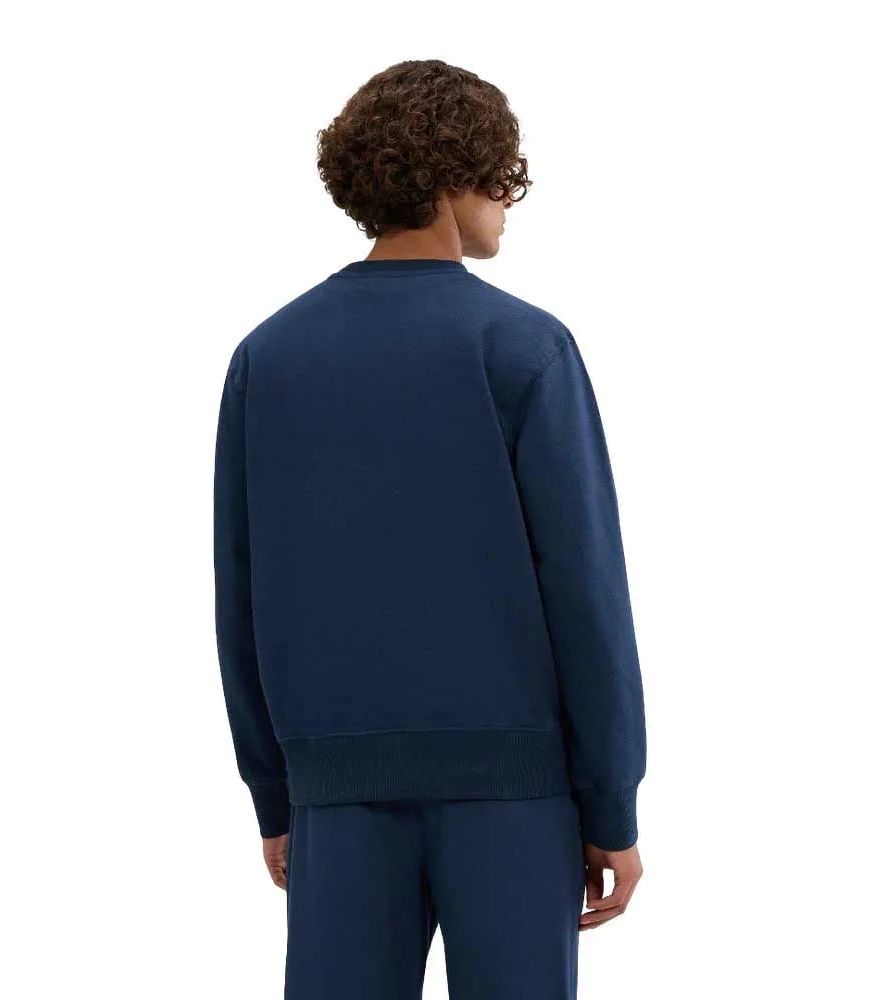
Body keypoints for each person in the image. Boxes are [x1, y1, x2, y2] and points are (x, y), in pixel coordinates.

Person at [213, 58, 647, 999]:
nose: (508, 202)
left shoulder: (269, 357)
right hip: (516, 799)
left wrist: (275, 793)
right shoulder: (523, 347)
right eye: (500, 177)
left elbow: (240, 593)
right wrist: (611, 801)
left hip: (335, 795)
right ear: (454, 178)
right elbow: (584, 591)